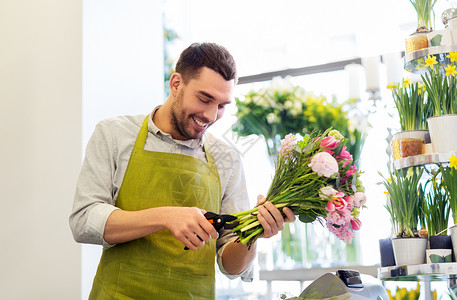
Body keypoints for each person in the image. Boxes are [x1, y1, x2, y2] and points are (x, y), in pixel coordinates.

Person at [69, 42, 295, 299]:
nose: (211, 115)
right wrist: (165, 217)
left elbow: (231, 267)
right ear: (176, 84)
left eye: (222, 106)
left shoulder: (227, 159)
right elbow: (83, 221)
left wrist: (254, 234)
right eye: (204, 99)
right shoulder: (115, 135)